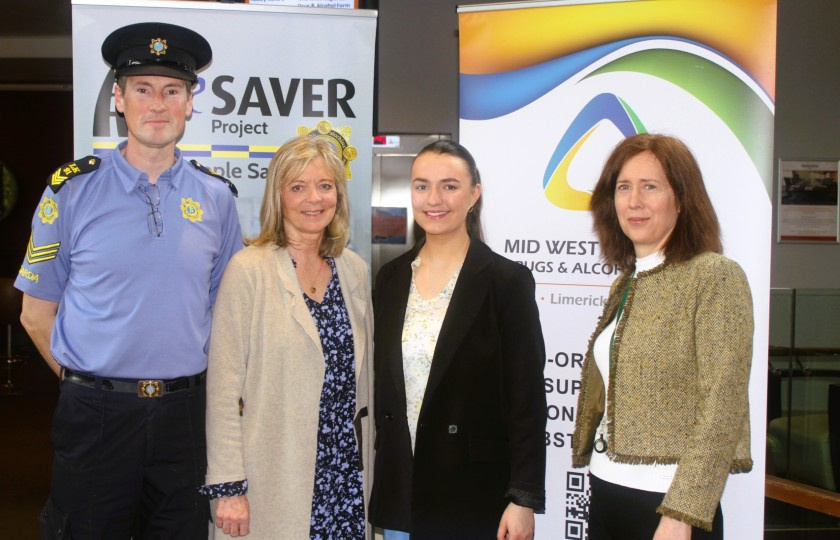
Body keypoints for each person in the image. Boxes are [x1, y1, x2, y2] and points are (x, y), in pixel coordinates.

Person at [15, 22, 243, 539]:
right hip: (95, 417)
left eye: (172, 91)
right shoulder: (69, 192)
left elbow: (224, 313)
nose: (157, 104)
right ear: (118, 98)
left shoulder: (217, 199)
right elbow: (35, 315)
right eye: (143, 89)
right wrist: (88, 387)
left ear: (190, 103)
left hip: (186, 418)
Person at [571, 134, 754, 540]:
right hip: (606, 491)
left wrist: (682, 513)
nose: (634, 201)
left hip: (667, 507)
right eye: (623, 188)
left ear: (682, 199)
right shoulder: (627, 282)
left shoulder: (715, 277)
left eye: (649, 187)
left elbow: (722, 405)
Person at [368, 140, 547, 540]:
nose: (434, 199)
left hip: (474, 493)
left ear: (474, 194)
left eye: (449, 186)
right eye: (421, 186)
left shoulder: (507, 282)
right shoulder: (391, 278)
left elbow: (527, 400)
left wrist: (523, 499)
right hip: (403, 490)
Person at [202, 136, 374, 539]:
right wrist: (229, 486)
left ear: (339, 194)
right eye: (298, 187)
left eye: (325, 185)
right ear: (278, 196)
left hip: (345, 477)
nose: (313, 198)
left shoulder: (353, 271)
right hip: (272, 478)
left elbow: (364, 386)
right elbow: (224, 390)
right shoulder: (249, 271)